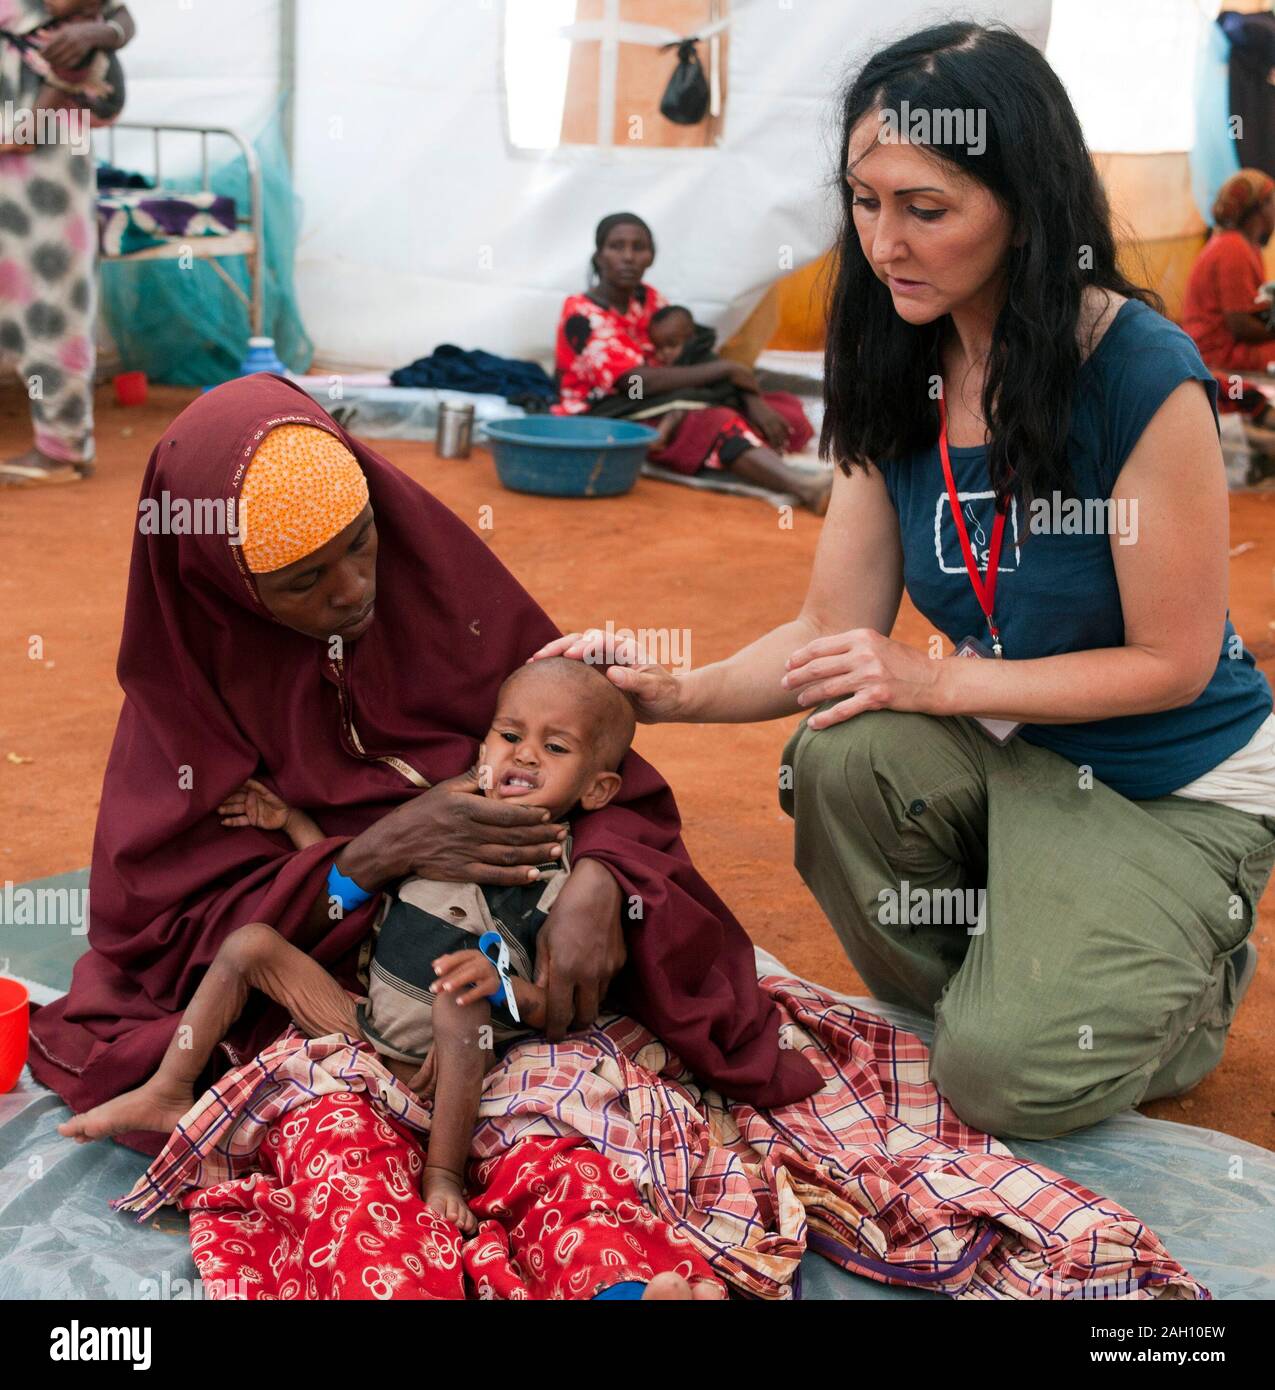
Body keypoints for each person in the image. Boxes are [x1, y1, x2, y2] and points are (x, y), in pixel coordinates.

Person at [533, 23, 1275, 1142]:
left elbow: (1172, 666)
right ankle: (1030, 970)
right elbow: (834, 628)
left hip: (1162, 783)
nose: (885, 244)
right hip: (1015, 751)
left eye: (926, 209)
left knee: (1003, 1080)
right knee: (838, 755)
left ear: (1027, 202)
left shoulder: (1139, 373)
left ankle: (1175, 983)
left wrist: (932, 681)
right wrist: (673, 693)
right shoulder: (897, 357)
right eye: (865, 203)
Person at [59, 657, 638, 1237]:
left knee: (457, 1004)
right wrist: (293, 823)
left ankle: (442, 1173)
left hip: (446, 1061)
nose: (525, 755)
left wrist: (502, 988)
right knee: (252, 944)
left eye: (555, 749)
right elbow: (356, 889)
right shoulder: (441, 819)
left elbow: (553, 1007)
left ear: (597, 788)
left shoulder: (557, 882)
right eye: (509, 736)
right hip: (362, 1024)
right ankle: (168, 1087)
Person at [552, 212, 831, 512]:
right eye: (616, 246)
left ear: (651, 256)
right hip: (612, 409)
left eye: (639, 247)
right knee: (717, 422)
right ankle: (805, 487)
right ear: (599, 256)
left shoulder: (649, 300)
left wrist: (750, 397)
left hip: (663, 398)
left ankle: (710, 443)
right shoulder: (582, 314)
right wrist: (727, 369)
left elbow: (693, 351)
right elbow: (635, 383)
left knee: (784, 413)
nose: (628, 257)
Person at [0, 0, 134, 487]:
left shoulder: (68, 24)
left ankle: (61, 446)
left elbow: (117, 16)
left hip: (47, 179)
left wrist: (101, 33)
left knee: (51, 301)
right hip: (26, 153)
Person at [1182, 168, 1275, 386]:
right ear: (1262, 207)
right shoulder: (1232, 248)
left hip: (1222, 348)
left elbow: (1253, 308)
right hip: (1218, 355)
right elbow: (1240, 324)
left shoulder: (1243, 245)